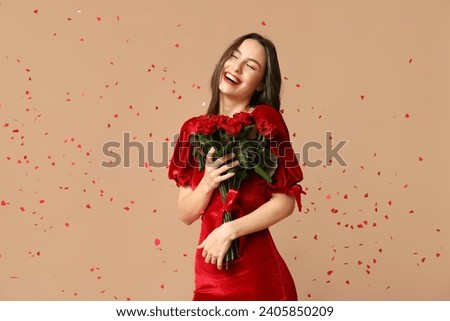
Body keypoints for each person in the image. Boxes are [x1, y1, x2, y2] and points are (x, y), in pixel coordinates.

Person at [168, 33, 304, 300]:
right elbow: (185, 213)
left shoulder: (264, 121)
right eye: (234, 56)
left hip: (256, 276)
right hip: (208, 276)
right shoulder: (193, 130)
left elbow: (285, 202)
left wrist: (229, 230)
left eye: (251, 66)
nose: (237, 67)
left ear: (260, 85)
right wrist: (207, 182)